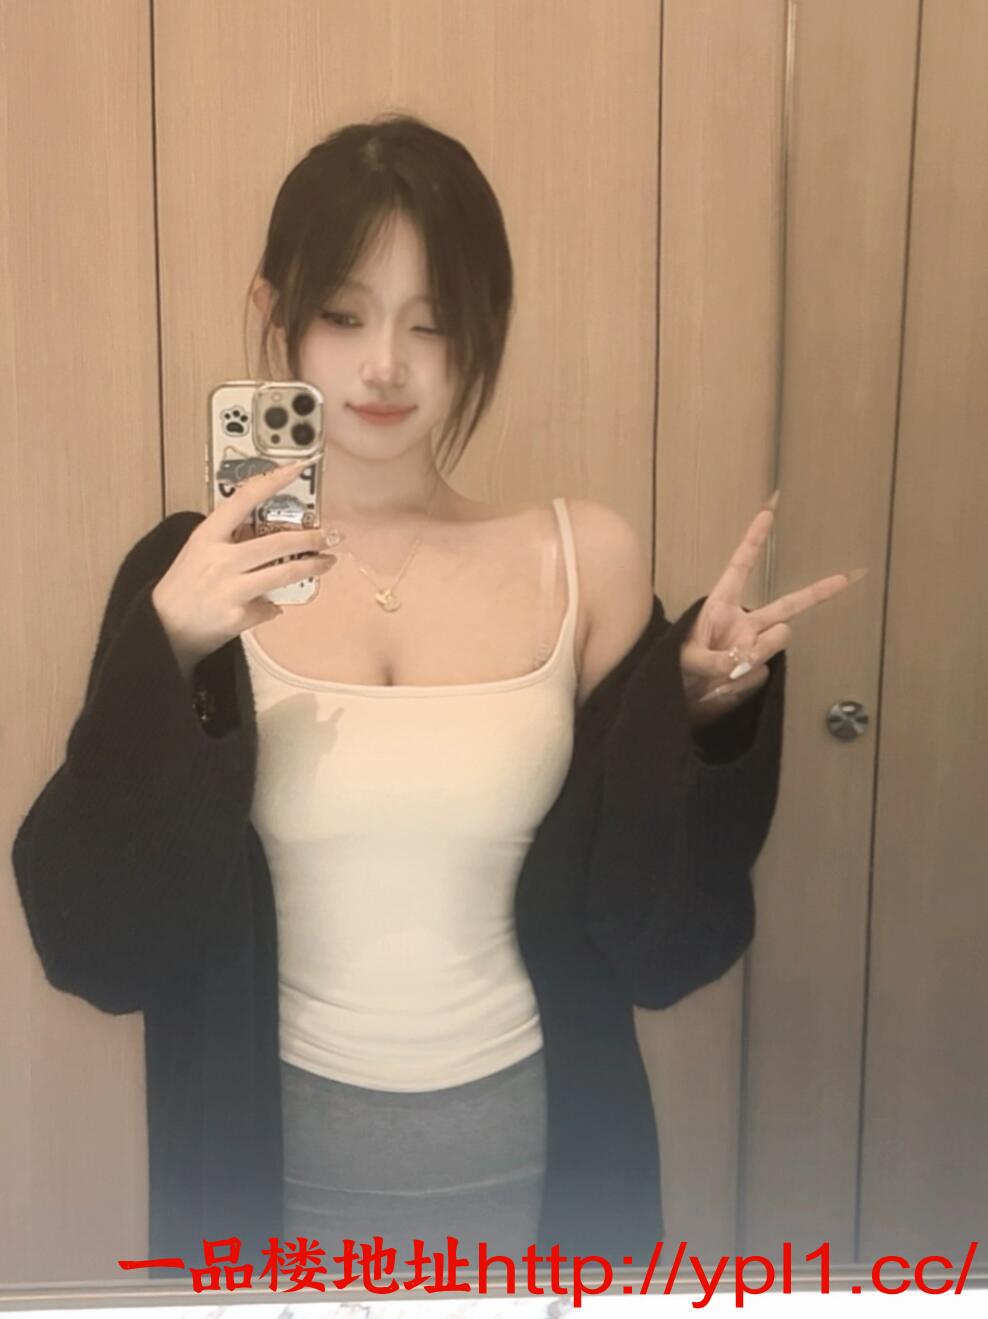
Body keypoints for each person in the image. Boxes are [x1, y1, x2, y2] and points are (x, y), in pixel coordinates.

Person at [12, 112, 858, 1277]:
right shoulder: (193, 575)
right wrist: (170, 648)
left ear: (483, 327)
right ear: (275, 311)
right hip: (260, 1174)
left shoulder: (582, 562)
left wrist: (698, 720)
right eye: (344, 315)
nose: (385, 366)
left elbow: (659, 940)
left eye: (432, 322)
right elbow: (94, 941)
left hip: (549, 1165)